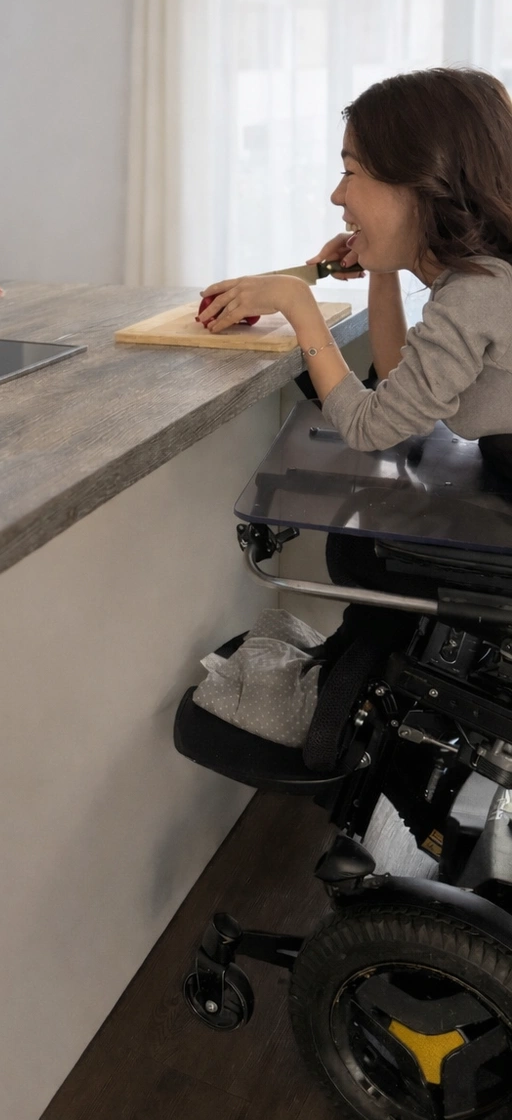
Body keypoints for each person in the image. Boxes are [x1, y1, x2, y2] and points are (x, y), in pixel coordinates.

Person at [199, 68, 512, 795]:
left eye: (351, 172)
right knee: (362, 553)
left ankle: (334, 715)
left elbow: (372, 425)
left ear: (420, 182)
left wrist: (299, 309)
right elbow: (408, 389)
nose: (338, 196)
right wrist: (376, 270)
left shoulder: (481, 291)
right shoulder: (478, 281)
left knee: (362, 554)